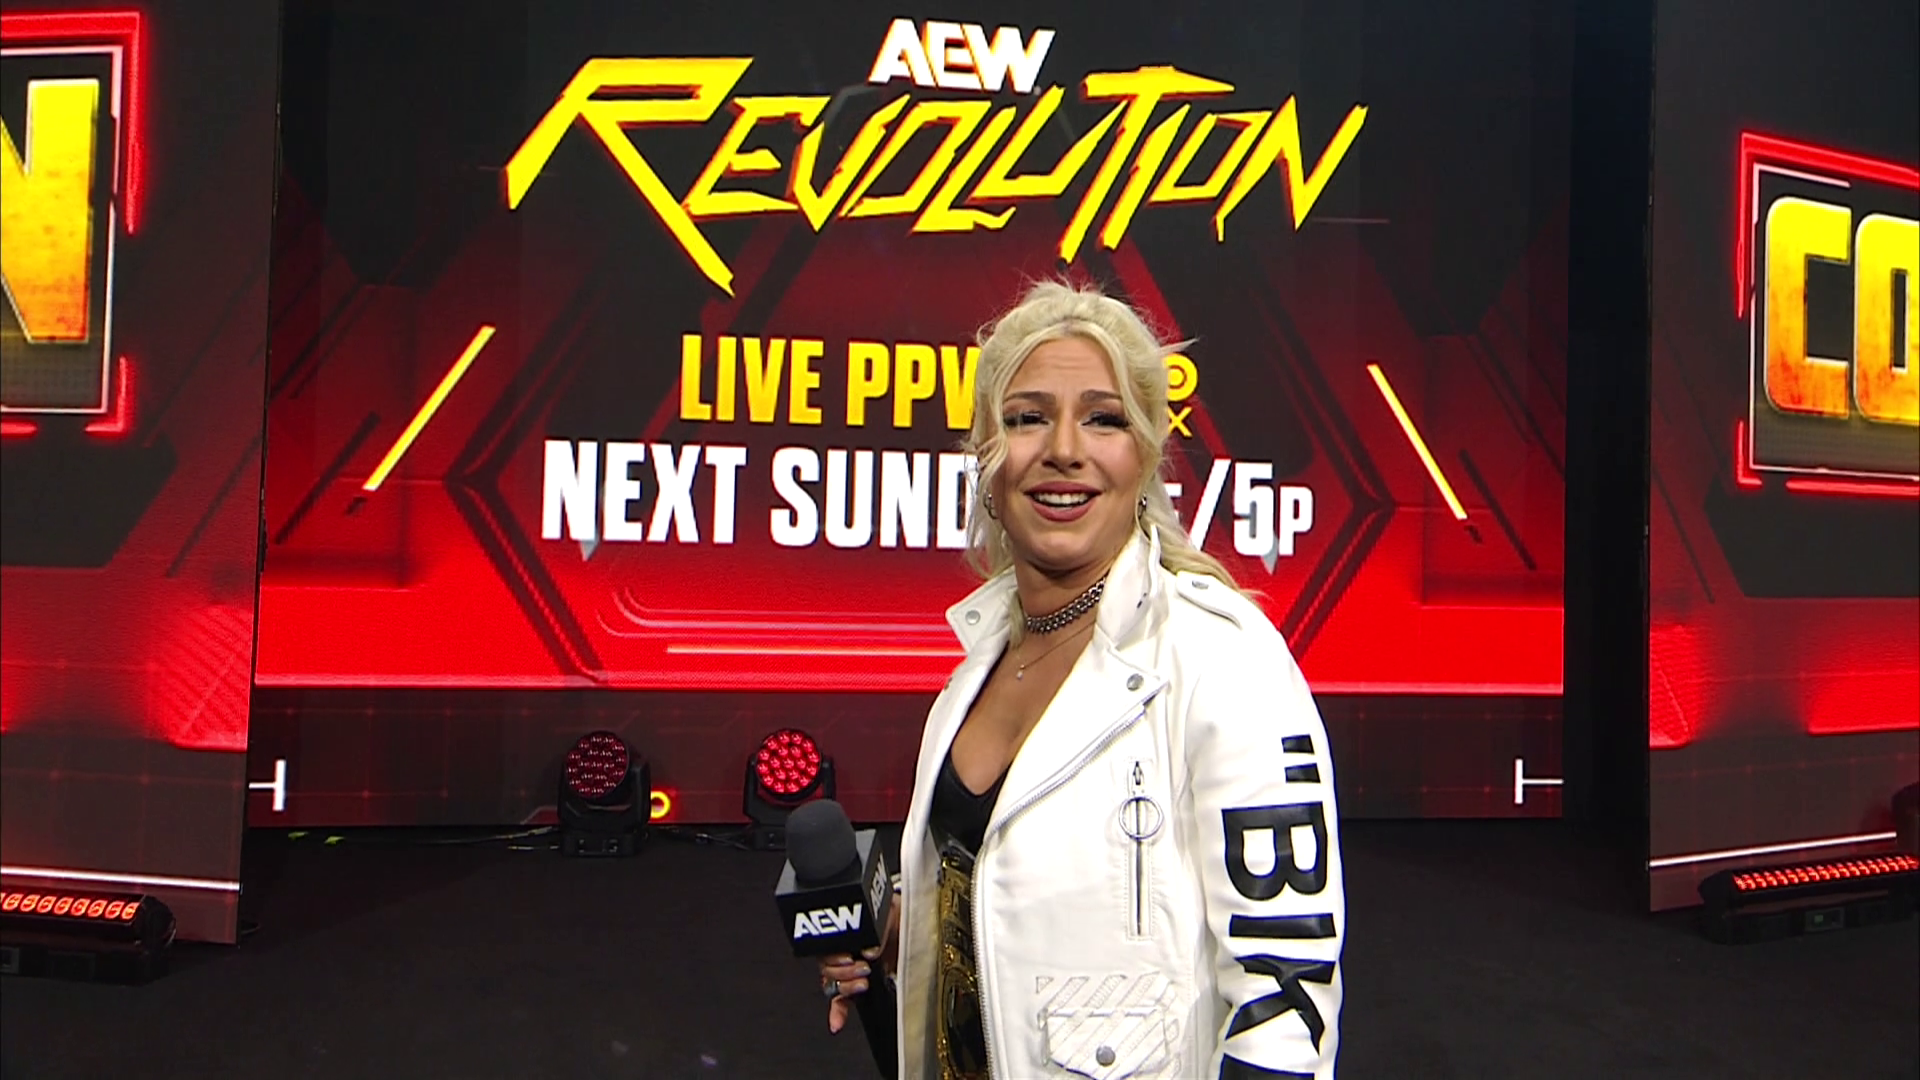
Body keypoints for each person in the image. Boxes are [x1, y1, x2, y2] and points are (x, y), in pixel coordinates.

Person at [819, 280, 1345, 1079]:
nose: (1064, 449)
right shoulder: (979, 663)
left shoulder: (1222, 658)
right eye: (1027, 418)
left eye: (1103, 419)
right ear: (986, 459)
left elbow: (1287, 990)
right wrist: (910, 941)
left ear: (1146, 457)